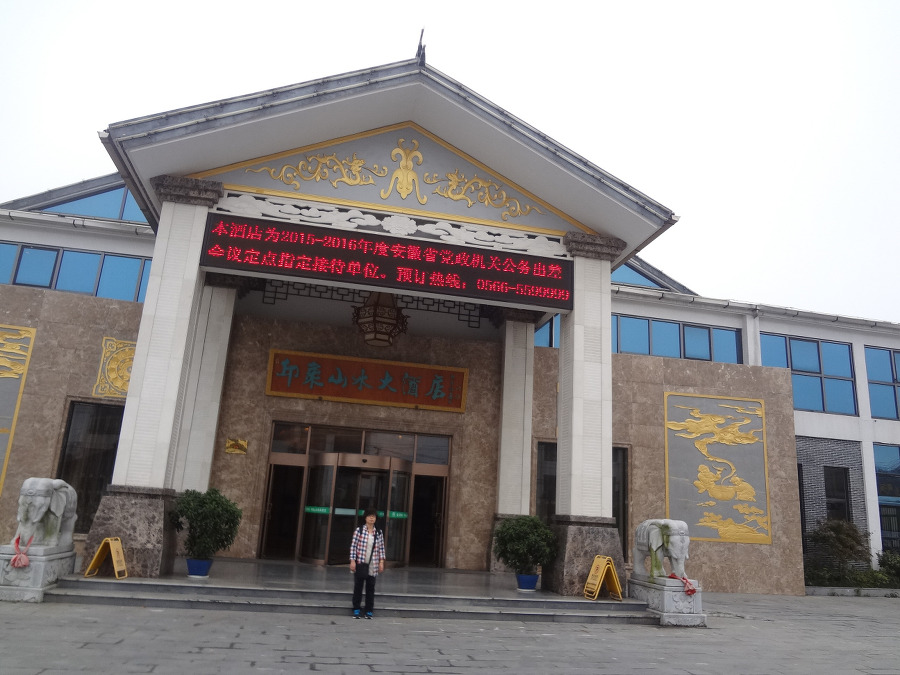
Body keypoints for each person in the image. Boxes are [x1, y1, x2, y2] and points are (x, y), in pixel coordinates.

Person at [349, 507, 386, 619]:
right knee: (358, 587)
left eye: (373, 516)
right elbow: (353, 547)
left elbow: (381, 548)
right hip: (360, 563)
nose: (371, 518)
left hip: (373, 565)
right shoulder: (359, 531)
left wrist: (381, 562)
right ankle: (356, 609)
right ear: (365, 518)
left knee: (370, 588)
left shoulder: (378, 532)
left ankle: (369, 610)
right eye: (369, 516)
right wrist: (352, 561)